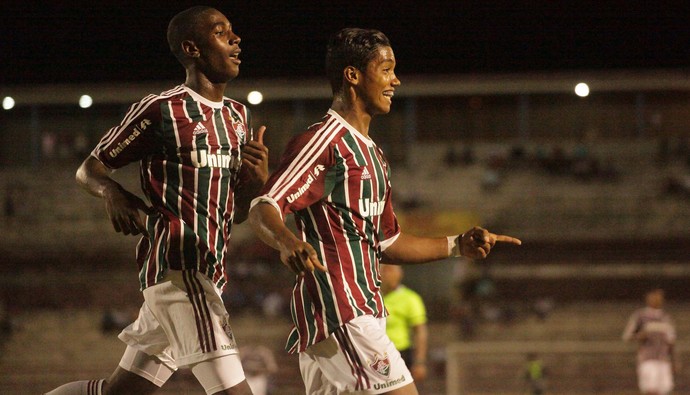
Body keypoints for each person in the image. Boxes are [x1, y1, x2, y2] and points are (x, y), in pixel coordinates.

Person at [248, 27, 521, 394]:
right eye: (387, 69)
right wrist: (286, 241)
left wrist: (458, 245)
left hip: (359, 310)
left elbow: (388, 241)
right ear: (353, 75)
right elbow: (265, 206)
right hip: (341, 307)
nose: (396, 80)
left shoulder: (373, 155)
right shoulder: (323, 141)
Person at [46, 6, 268, 395]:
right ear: (192, 48)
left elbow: (233, 214)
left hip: (209, 271)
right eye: (221, 32)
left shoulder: (238, 116)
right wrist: (113, 192)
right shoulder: (161, 109)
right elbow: (89, 170)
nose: (235, 39)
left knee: (118, 392)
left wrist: (258, 181)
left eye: (232, 31)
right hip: (180, 272)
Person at [622, 288, 678, 395]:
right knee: (651, 390)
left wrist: (674, 361)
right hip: (648, 359)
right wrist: (640, 336)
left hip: (664, 360)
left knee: (664, 390)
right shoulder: (640, 316)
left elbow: (671, 341)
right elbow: (627, 336)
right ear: (649, 298)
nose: (657, 299)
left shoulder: (666, 318)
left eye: (659, 297)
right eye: (654, 296)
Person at [380, 264, 428, 384]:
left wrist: (419, 362)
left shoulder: (410, 298)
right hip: (375, 354)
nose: (390, 275)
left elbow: (420, 332)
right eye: (387, 270)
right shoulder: (370, 297)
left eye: (393, 271)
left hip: (400, 354)